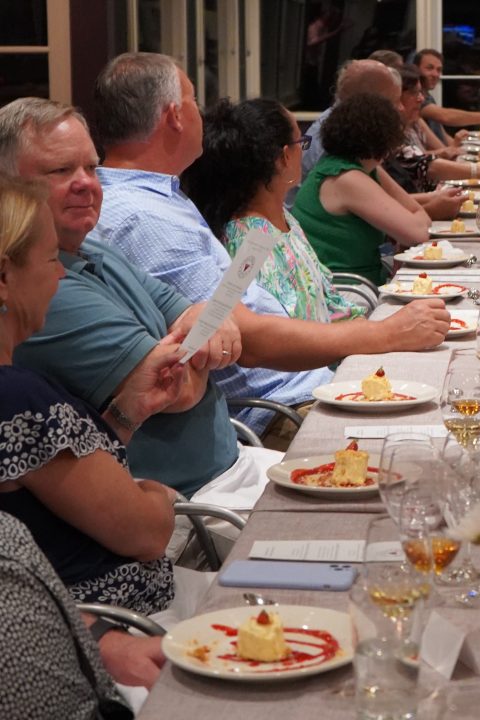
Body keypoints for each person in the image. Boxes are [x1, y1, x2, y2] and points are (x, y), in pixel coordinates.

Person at [89, 53, 448, 450]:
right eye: (194, 100)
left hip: (302, 384)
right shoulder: (148, 217)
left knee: (443, 389)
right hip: (282, 407)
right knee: (432, 440)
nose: (201, 115)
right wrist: (383, 333)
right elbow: (248, 337)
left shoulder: (163, 199)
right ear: (175, 115)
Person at [0, 97, 252, 502]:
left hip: (232, 467)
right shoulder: (43, 288)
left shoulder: (93, 248)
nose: (86, 183)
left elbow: (192, 311)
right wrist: (198, 339)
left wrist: (197, 326)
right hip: (191, 504)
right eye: (61, 170)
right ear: (9, 187)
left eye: (91, 167)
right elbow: (176, 388)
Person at [0, 173, 180, 615]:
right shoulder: (16, 396)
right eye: (50, 260)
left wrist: (127, 412)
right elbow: (146, 534)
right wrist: (159, 497)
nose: (61, 273)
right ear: (4, 276)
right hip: (119, 627)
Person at [181, 98, 368, 322]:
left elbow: (327, 297)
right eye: (301, 142)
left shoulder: (283, 218)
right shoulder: (249, 241)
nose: (303, 151)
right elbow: (279, 331)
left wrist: (363, 326)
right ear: (284, 157)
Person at [0, 510, 149, 717]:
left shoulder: (9, 531)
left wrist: (101, 637)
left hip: (107, 694)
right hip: (131, 595)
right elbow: (151, 536)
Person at [293, 92, 431, 284]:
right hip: (345, 290)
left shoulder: (353, 167)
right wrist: (410, 228)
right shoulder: (347, 178)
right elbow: (418, 232)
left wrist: (413, 224)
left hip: (361, 281)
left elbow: (418, 216)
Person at [385, 64, 480, 207]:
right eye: (414, 93)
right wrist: (478, 171)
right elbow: (424, 164)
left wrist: (450, 150)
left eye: (421, 92)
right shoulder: (390, 135)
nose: (421, 99)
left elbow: (430, 157)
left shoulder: (414, 120)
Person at [414, 48, 480, 146]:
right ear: (416, 69)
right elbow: (445, 116)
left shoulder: (428, 96)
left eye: (438, 70)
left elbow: (443, 135)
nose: (435, 74)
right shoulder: (415, 98)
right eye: (429, 68)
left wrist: (462, 148)